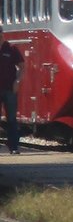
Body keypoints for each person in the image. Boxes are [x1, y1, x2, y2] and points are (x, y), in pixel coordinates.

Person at [0, 25, 24, 153]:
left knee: (11, 119)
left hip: (9, 88)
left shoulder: (11, 49)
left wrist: (18, 80)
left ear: (2, 34)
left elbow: (21, 66)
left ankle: (13, 147)